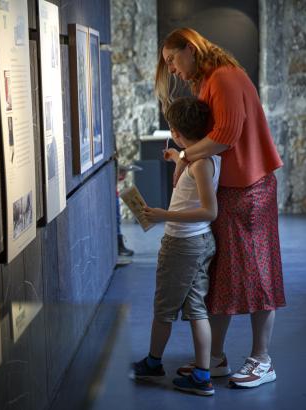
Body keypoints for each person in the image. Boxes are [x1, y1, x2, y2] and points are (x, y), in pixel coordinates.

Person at [155, 27, 285, 388]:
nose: (174, 70)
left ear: (191, 49)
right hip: (233, 189)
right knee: (221, 274)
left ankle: (262, 360)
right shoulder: (212, 78)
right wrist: (185, 156)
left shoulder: (225, 77)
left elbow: (225, 136)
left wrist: (183, 154)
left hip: (251, 189)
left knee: (260, 274)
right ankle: (215, 357)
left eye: (173, 60)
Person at [131, 97, 221, 396]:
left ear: (176, 131)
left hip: (184, 243)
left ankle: (154, 362)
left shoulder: (199, 165)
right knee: (196, 308)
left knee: (164, 307)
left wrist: (162, 215)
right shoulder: (203, 157)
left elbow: (210, 211)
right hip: (197, 242)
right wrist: (177, 157)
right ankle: (201, 374)